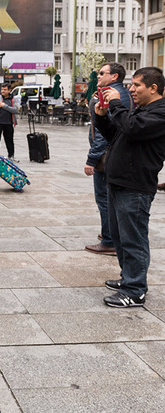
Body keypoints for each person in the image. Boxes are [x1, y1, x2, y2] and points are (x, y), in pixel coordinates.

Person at [95, 66, 165, 308]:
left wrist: (116, 104)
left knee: (133, 239)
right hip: (119, 182)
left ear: (153, 88)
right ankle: (129, 278)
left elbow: (133, 128)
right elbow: (117, 134)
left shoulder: (161, 112)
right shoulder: (143, 110)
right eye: (132, 85)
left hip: (135, 186)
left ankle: (135, 290)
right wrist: (102, 115)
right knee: (122, 239)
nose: (131, 89)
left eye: (137, 85)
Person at [83, 62, 133, 256]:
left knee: (104, 198)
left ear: (114, 76)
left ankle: (109, 240)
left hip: (107, 155)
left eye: (102, 73)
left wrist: (91, 159)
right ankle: (111, 234)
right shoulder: (119, 93)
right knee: (108, 198)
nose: (99, 76)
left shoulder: (113, 95)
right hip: (115, 153)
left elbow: (106, 132)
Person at [0, 83, 20, 162]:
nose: (3, 91)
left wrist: (4, 106)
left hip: (8, 123)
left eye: (5, 89)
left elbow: (16, 110)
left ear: (9, 90)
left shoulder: (13, 99)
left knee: (9, 140)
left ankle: (11, 156)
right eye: (2, 89)